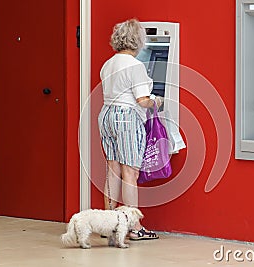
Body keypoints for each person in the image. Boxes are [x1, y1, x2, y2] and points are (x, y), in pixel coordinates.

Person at [97, 18, 162, 240]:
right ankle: (134, 227)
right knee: (130, 172)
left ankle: (110, 224)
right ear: (137, 41)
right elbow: (142, 100)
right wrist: (157, 101)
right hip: (126, 117)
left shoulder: (109, 63)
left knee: (113, 170)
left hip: (106, 115)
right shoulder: (136, 66)